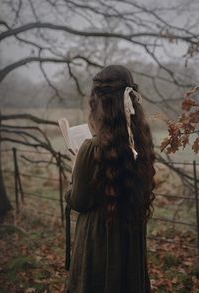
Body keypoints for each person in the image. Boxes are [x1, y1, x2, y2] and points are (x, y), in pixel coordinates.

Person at [65, 64, 156, 293]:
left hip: (98, 244)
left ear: (99, 104)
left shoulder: (91, 148)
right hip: (130, 240)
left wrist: (76, 170)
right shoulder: (141, 143)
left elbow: (79, 201)